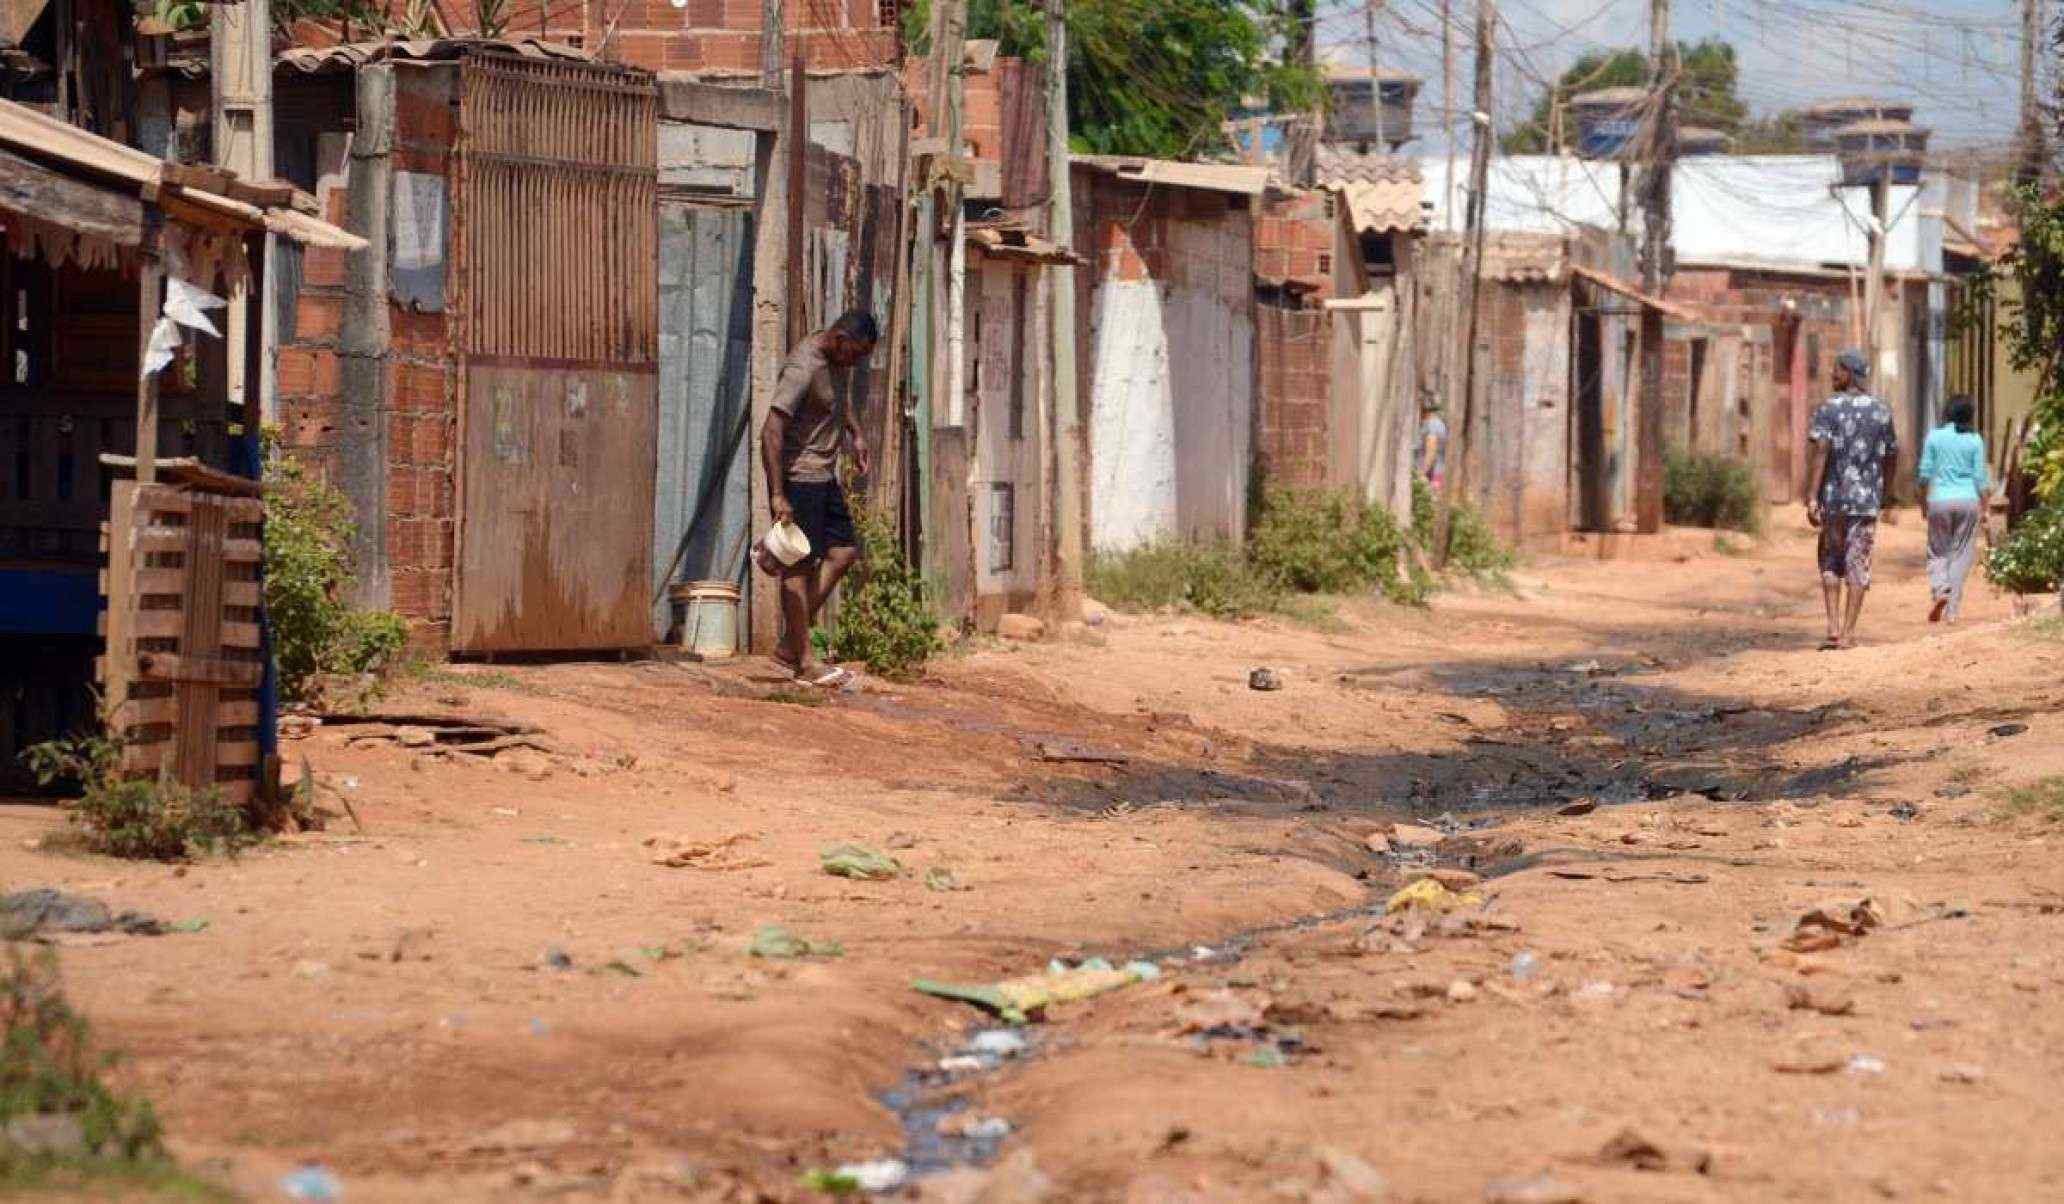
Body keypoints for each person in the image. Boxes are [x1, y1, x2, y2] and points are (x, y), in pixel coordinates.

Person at [760, 310, 878, 686]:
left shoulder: (836, 360)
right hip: (799, 477)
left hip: (824, 475)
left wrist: (855, 434)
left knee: (843, 553)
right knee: (796, 568)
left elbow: (838, 401)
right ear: (841, 338)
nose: (856, 363)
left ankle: (790, 644)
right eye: (855, 354)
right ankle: (806, 661)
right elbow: (771, 430)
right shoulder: (804, 367)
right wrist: (778, 494)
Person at [1806, 348, 1899, 650]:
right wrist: (1885, 492)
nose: (1832, 375)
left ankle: (1832, 627)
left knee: (1831, 560)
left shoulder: (1827, 409)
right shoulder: (1882, 411)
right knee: (1857, 562)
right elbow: (1891, 456)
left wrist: (1812, 496)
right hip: (1865, 502)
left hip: (1833, 500)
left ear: (1848, 373)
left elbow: (1820, 452)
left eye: (1836, 369)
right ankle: (1848, 633)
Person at [1917, 394, 1991, 624]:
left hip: (1939, 500)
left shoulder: (1934, 437)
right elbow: (1980, 478)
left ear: (1947, 413)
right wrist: (1985, 508)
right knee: (1961, 555)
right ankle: (1953, 611)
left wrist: (1923, 503)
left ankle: (1940, 590)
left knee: (1938, 552)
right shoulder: (1975, 440)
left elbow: (1924, 475)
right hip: (1968, 501)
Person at [1418, 395, 1449, 491]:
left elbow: (1431, 447)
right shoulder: (1439, 424)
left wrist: (1422, 472)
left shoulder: (1432, 424)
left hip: (1429, 473)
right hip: (1436, 471)